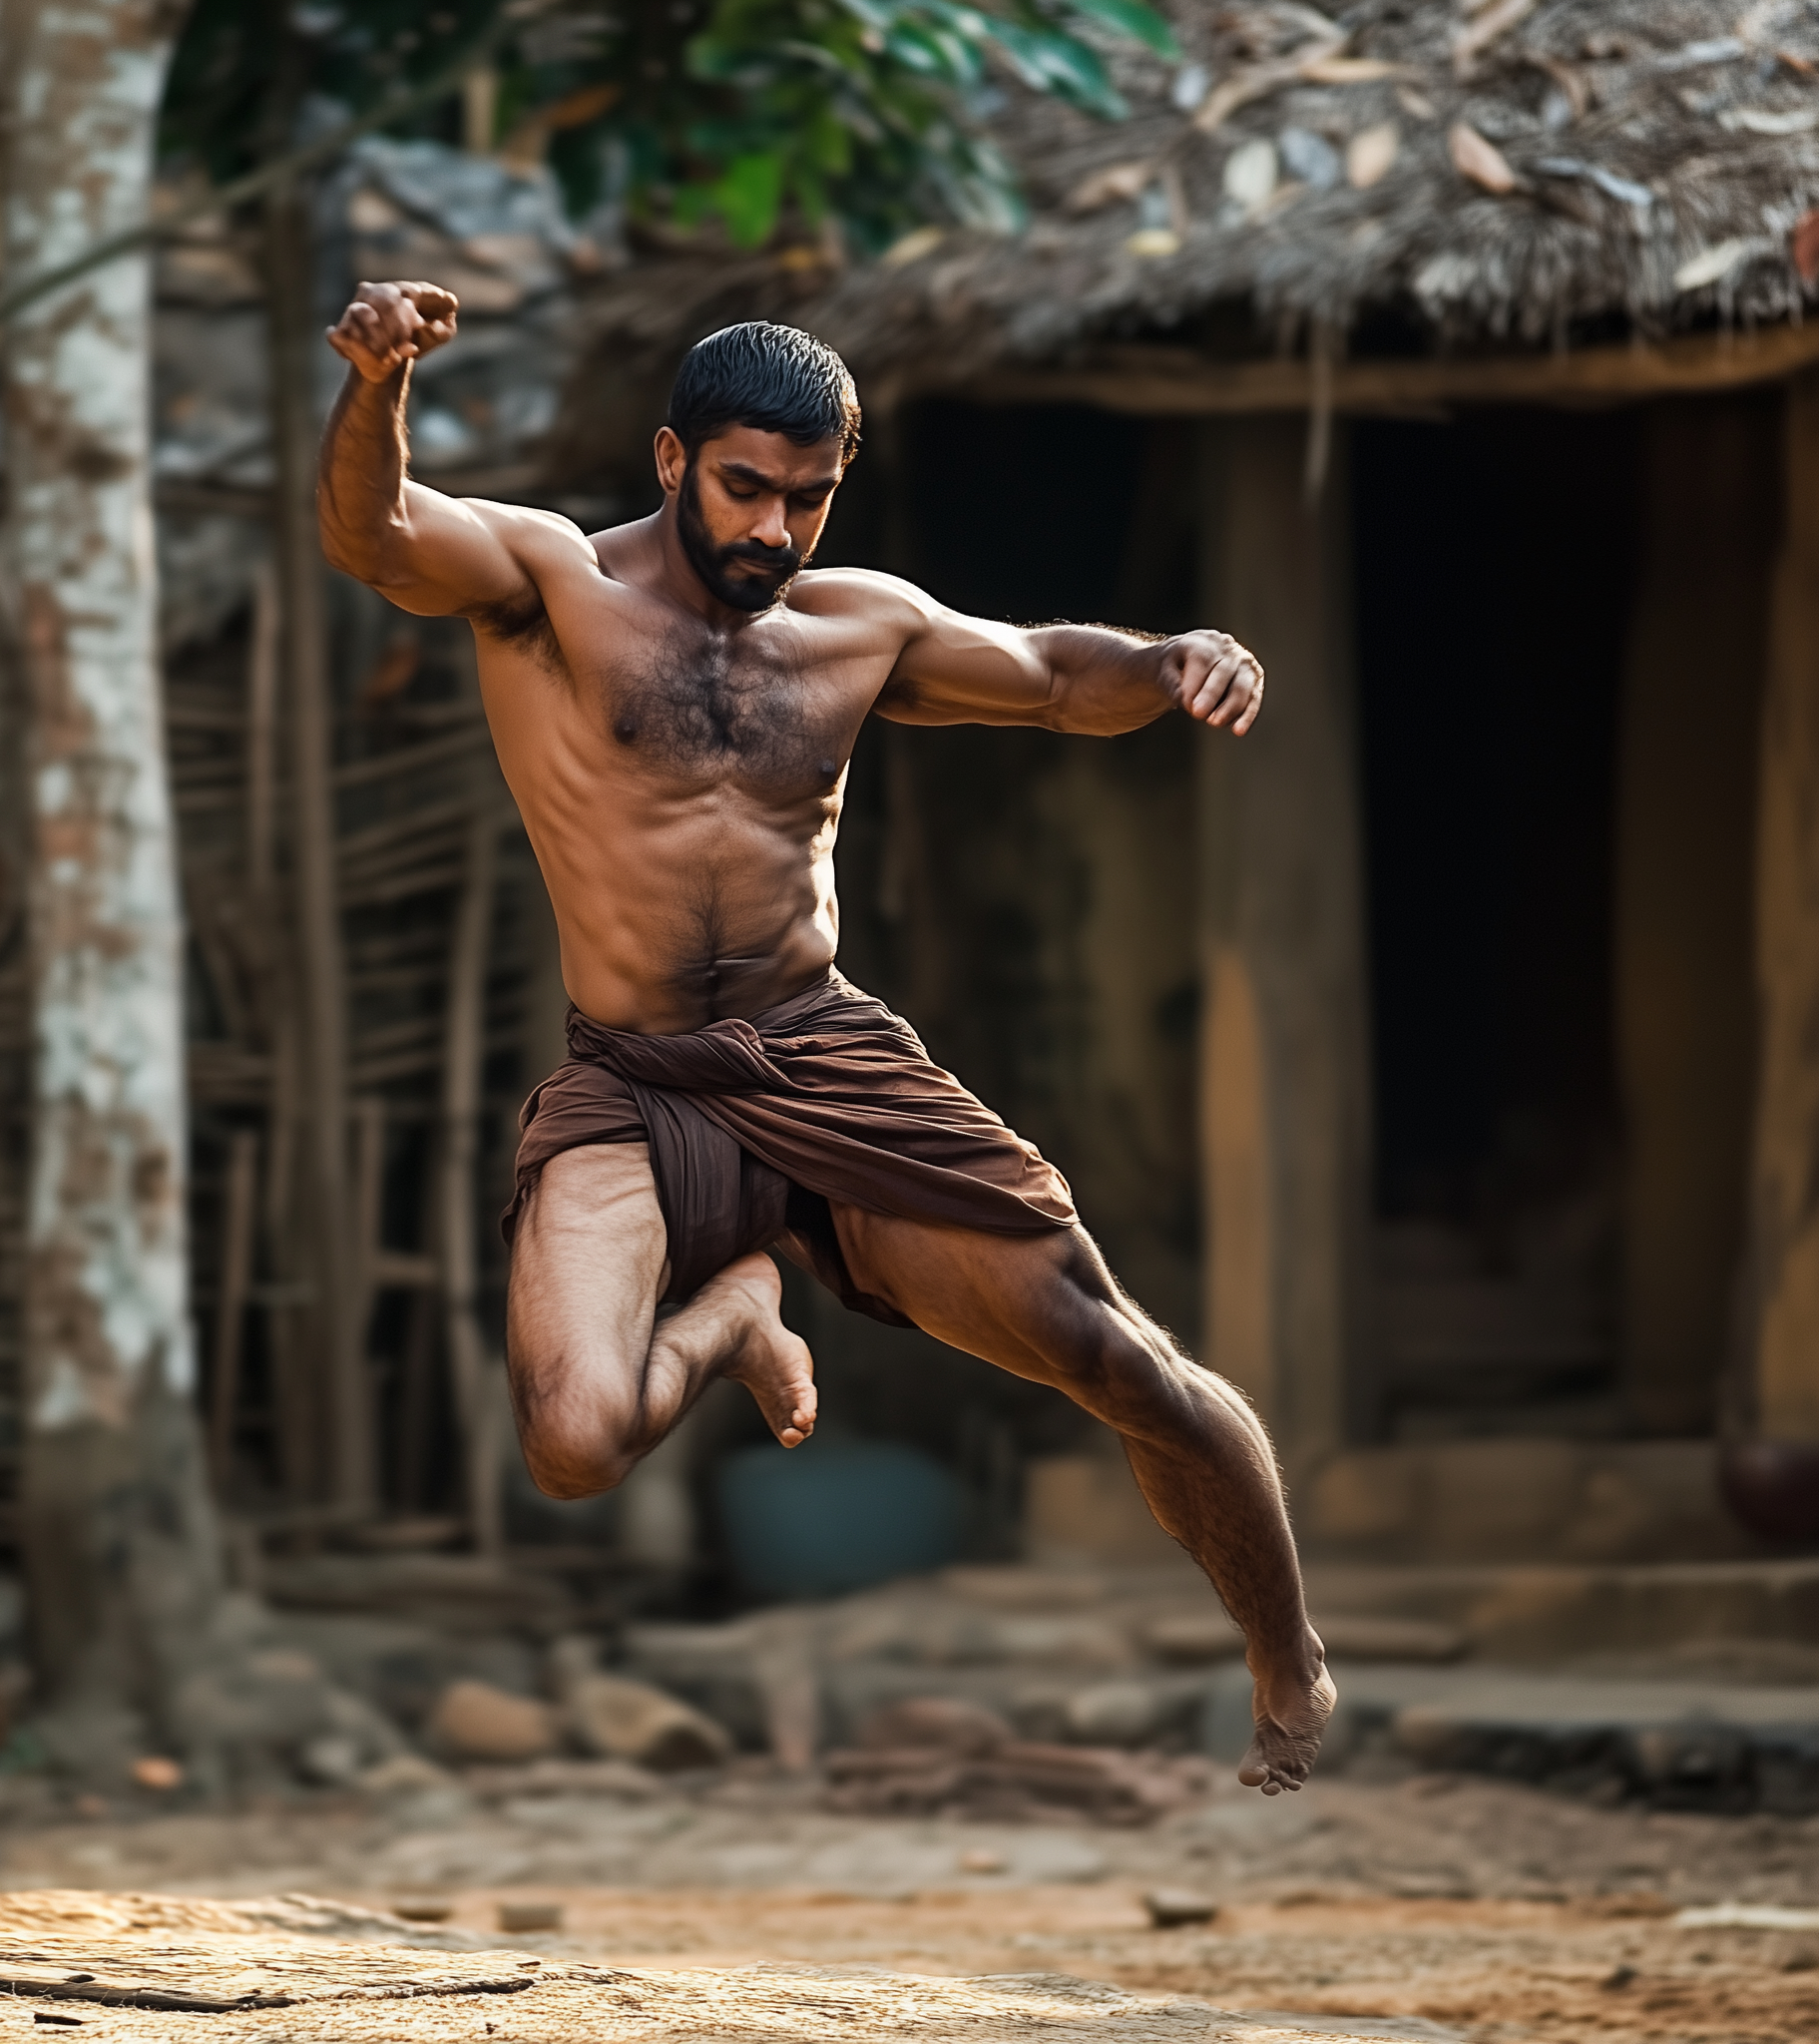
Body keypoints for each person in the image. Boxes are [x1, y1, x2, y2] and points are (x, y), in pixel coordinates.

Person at [318, 287, 1334, 1793]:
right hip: (637, 1077)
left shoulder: (859, 630)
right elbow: (379, 536)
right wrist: (378, 385)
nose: (775, 529)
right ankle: (729, 1316)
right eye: (746, 488)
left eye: (810, 497)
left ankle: (1286, 1654)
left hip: (824, 1054)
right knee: (577, 1443)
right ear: (672, 456)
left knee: (1112, 1357)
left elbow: (1057, 677)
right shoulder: (551, 587)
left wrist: (1177, 654)